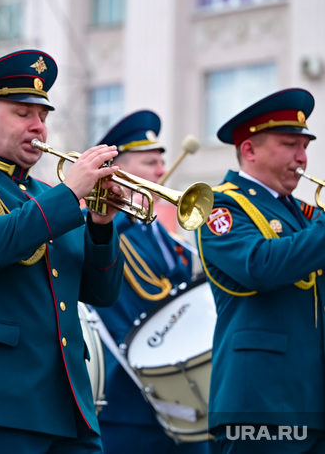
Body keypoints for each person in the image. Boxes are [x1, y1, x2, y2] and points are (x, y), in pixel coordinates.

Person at [0, 50, 125, 453]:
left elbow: (101, 294)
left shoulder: (49, 198)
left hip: (68, 401)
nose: (39, 127)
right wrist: (71, 193)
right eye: (23, 114)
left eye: (44, 117)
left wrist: (101, 225)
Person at [198, 88, 325, 453]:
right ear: (250, 150)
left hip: (311, 401)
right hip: (259, 404)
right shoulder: (219, 204)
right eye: (290, 144)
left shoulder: (304, 215)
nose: (302, 158)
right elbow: (260, 266)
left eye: (305, 146)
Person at [93, 111, 209, 454]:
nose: (162, 171)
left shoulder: (164, 235)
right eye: (150, 163)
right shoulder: (109, 231)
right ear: (121, 172)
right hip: (130, 401)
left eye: (161, 162)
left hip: (187, 397)